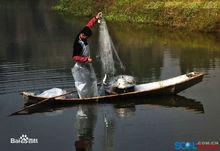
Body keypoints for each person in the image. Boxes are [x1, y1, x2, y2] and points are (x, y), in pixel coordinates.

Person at [71, 12, 102, 98]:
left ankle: (92, 95)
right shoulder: (77, 44)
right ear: (83, 35)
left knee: (92, 80)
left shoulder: (83, 32)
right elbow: (74, 57)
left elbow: (89, 25)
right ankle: (83, 98)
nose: (87, 39)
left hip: (87, 64)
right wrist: (86, 59)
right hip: (80, 66)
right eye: (86, 37)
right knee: (82, 84)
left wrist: (96, 18)